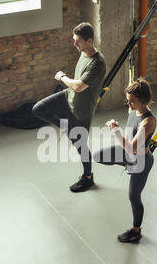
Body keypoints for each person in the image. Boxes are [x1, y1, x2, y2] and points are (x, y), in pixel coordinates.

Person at [32, 22, 106, 193]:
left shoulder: (98, 63)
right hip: (68, 97)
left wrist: (62, 77)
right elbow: (76, 87)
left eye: (78, 41)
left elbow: (79, 86)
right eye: (74, 40)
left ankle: (88, 178)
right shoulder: (83, 53)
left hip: (81, 111)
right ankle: (65, 127)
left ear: (89, 40)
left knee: (81, 146)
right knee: (38, 109)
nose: (75, 44)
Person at [93, 78, 156, 243]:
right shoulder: (133, 111)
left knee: (133, 196)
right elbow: (129, 139)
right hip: (129, 155)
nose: (128, 104)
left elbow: (132, 148)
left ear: (142, 100)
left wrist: (115, 131)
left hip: (141, 160)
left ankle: (136, 232)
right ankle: (128, 164)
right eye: (127, 101)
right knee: (98, 156)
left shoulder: (148, 122)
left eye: (132, 101)